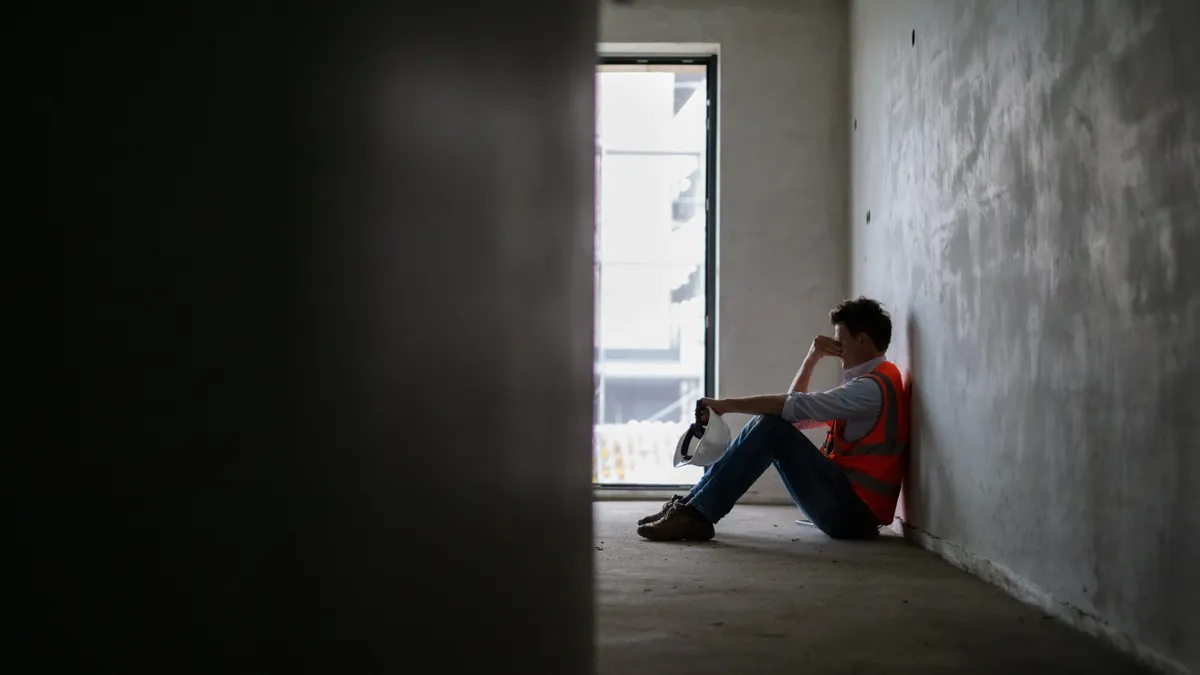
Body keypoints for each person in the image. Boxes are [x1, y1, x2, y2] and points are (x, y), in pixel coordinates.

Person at [637, 297, 908, 542]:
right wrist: (813, 358)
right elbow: (797, 416)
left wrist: (726, 405)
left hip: (852, 516)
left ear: (862, 340)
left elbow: (792, 407)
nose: (837, 349)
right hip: (850, 508)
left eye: (841, 341)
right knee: (773, 424)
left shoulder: (870, 389)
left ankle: (696, 514)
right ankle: (690, 505)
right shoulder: (874, 381)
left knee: (770, 427)